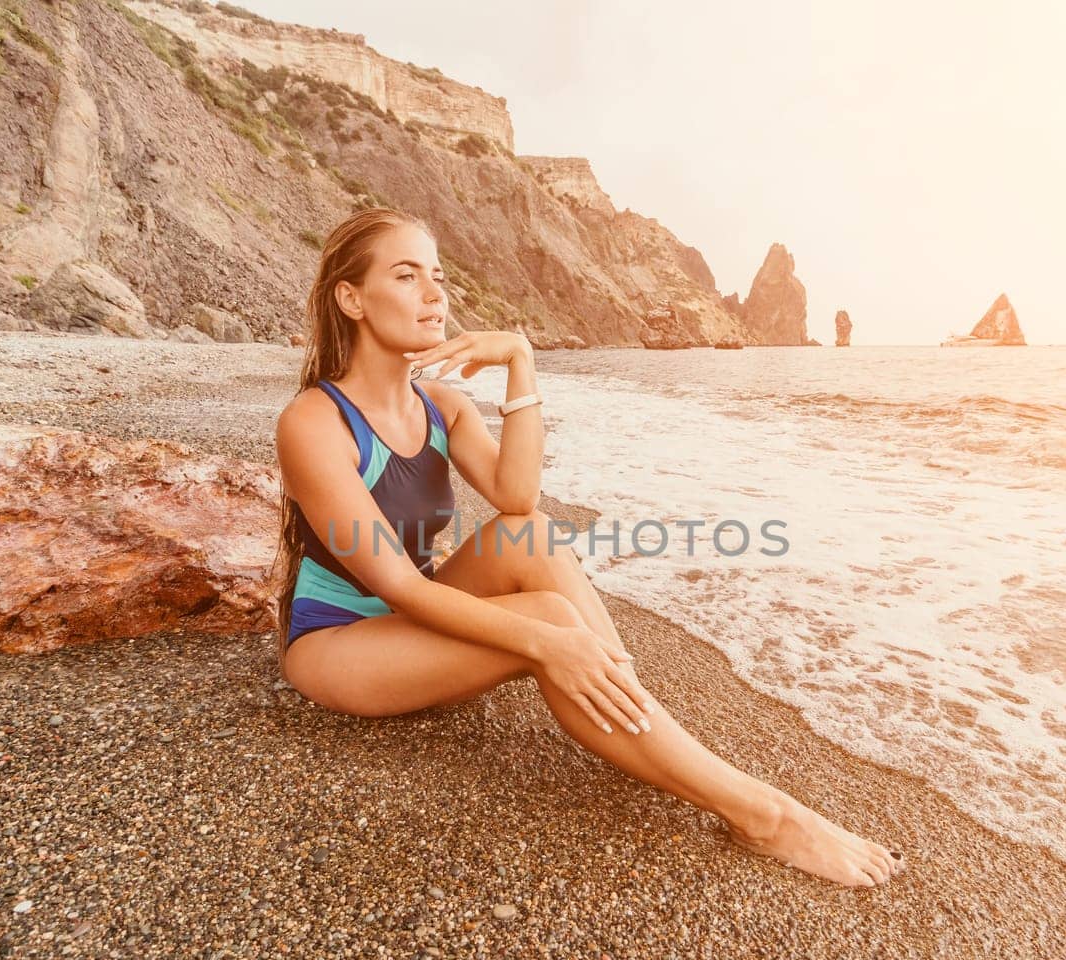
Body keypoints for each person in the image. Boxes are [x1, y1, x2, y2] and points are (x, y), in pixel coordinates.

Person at [273, 208, 904, 888]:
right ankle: (761, 812)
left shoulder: (442, 409)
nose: (435, 295)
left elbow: (517, 500)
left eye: (439, 276)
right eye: (406, 275)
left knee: (531, 534)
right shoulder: (314, 420)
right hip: (343, 642)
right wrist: (549, 641)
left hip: (422, 626)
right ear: (352, 298)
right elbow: (399, 588)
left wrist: (520, 359)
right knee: (550, 620)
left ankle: (640, 718)